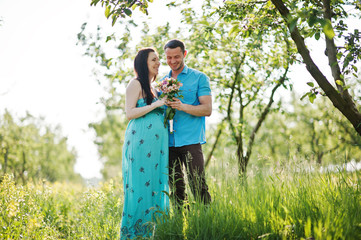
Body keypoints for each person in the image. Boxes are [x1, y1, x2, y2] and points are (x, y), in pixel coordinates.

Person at [120, 48, 169, 239]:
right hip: (140, 142)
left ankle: (155, 232)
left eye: (158, 60)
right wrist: (156, 105)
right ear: (143, 63)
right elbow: (129, 113)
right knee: (140, 186)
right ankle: (136, 234)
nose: (158, 63)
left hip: (157, 147)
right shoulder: (136, 84)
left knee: (157, 184)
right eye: (154, 60)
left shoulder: (155, 87)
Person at [163, 39, 212, 208]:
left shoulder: (199, 78)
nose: (173, 61)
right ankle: (181, 226)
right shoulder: (162, 82)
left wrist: (182, 107)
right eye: (169, 58)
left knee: (198, 185)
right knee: (176, 189)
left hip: (191, 141)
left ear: (184, 54)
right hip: (168, 143)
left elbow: (207, 109)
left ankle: (207, 222)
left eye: (177, 56)